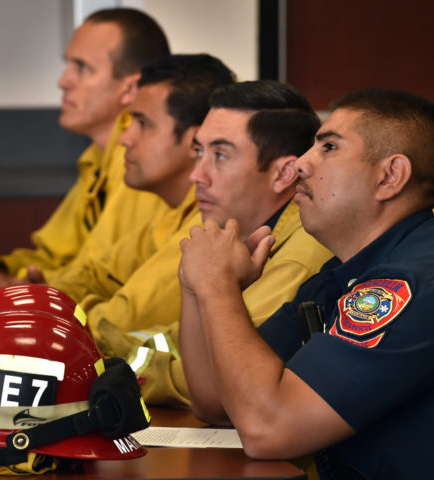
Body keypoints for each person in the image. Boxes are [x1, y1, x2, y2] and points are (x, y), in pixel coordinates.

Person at [179, 88, 434, 478]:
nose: (302, 164)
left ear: (390, 176)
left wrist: (218, 287)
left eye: (328, 147)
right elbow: (214, 402)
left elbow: (267, 430)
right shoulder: (340, 277)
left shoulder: (416, 287)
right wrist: (197, 284)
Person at [105, 80, 335, 406]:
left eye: (221, 155)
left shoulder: (302, 257)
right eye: (199, 152)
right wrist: (102, 350)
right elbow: (179, 342)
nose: (197, 174)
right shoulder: (237, 229)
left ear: (284, 174)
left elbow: (217, 380)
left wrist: (103, 370)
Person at [0, 8, 170, 295]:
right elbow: (54, 255)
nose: (63, 81)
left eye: (82, 68)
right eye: (68, 64)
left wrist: (4, 285)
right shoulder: (96, 157)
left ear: (131, 88)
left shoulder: (136, 156)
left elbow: (98, 275)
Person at [40, 54, 235, 340]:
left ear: (196, 142)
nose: (125, 138)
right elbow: (96, 273)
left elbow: (119, 321)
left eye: (143, 123)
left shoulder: (208, 225)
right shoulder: (172, 211)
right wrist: (41, 294)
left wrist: (47, 311)